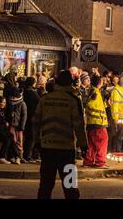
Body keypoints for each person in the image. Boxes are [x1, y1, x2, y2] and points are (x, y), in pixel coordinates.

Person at [33, 70, 87, 199]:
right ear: (70, 83)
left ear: (56, 82)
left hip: (47, 148)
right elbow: (79, 125)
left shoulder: (45, 98)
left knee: (45, 185)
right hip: (66, 150)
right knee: (70, 185)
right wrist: (83, 145)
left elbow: (35, 122)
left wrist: (37, 142)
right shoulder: (74, 100)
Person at [83, 75, 109, 168]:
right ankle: (100, 162)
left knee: (91, 144)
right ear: (99, 83)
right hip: (98, 122)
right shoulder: (95, 92)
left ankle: (88, 161)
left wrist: (106, 104)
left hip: (91, 122)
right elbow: (91, 105)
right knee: (102, 142)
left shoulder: (91, 90)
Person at [6, 87, 27, 164]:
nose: (12, 97)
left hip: (18, 126)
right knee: (13, 141)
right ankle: (13, 156)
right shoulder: (9, 102)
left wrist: (22, 126)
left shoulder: (22, 103)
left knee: (19, 141)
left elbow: (24, 116)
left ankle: (19, 156)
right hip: (11, 125)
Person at [22, 77, 40, 162]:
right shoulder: (33, 93)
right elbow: (39, 104)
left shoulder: (24, 92)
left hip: (26, 116)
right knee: (31, 137)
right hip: (32, 117)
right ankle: (28, 155)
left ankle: (26, 154)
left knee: (27, 137)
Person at [0, 96, 16, 164]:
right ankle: (1, 157)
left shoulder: (1, 110)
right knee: (7, 139)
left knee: (11, 136)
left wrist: (5, 123)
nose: (4, 104)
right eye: (3, 102)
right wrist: (5, 123)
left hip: (1, 130)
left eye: (5, 102)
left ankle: (14, 156)